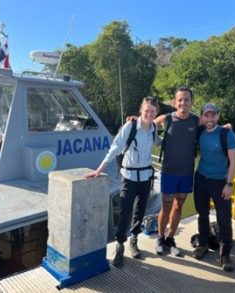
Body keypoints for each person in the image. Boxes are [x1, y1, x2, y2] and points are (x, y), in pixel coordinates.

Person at [85, 97, 160, 267]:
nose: (149, 114)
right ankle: (120, 245)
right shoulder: (130, 126)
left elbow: (158, 141)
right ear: (141, 110)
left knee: (140, 210)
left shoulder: (153, 128)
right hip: (129, 176)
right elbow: (115, 147)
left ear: (157, 113)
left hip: (146, 176)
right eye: (147, 110)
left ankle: (134, 238)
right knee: (125, 211)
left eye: (153, 111)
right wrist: (99, 170)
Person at [152, 86, 198, 257]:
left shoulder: (196, 121)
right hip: (169, 172)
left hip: (186, 173)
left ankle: (170, 238)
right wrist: (136, 120)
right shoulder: (166, 119)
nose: (183, 103)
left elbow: (211, 124)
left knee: (179, 206)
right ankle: (160, 238)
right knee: (165, 206)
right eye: (180, 99)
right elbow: (147, 123)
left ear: (191, 103)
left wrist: (225, 127)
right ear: (174, 102)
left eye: (186, 99)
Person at [192, 103, 235, 272]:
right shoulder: (200, 130)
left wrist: (229, 184)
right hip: (201, 178)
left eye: (213, 115)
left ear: (218, 116)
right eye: (206, 115)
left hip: (220, 182)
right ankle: (203, 244)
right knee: (202, 214)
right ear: (203, 117)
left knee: (224, 218)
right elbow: (182, 119)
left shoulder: (227, 134)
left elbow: (234, 161)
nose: (209, 119)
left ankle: (225, 254)